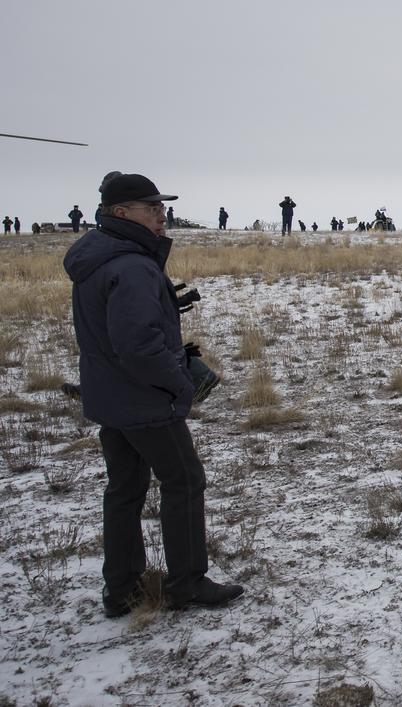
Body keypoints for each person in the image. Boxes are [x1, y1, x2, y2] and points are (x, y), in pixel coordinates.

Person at [62, 173, 243, 617]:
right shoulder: (132, 266)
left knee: (125, 489)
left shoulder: (99, 258)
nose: (162, 215)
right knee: (184, 480)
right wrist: (180, 384)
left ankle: (122, 589)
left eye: (161, 207)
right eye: (152, 208)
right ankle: (187, 583)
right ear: (120, 213)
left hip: (111, 396)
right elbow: (139, 346)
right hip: (144, 400)